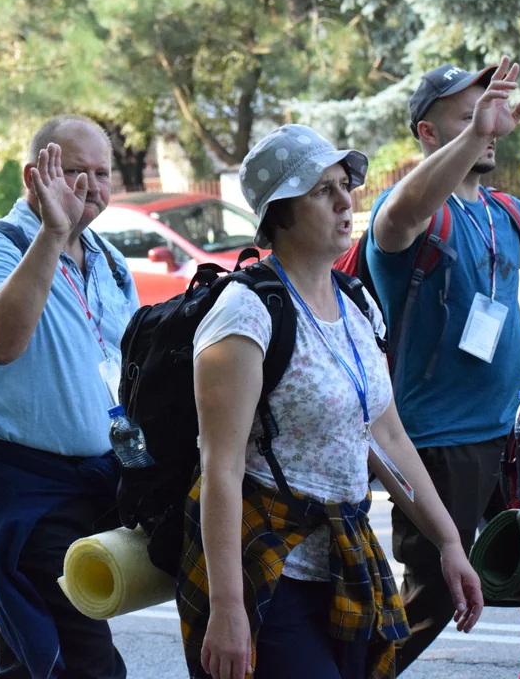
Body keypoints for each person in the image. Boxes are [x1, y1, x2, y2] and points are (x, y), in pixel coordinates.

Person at [185, 124, 484, 679]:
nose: (347, 201)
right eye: (323, 191)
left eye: (345, 184)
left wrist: (448, 542)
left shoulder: (357, 302)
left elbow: (386, 435)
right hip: (269, 568)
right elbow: (219, 470)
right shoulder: (244, 315)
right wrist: (228, 608)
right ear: (279, 213)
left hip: (343, 563)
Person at [365, 56, 520, 670]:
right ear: (429, 133)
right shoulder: (411, 212)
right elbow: (401, 214)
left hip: (512, 434)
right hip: (441, 444)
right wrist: (476, 132)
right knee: (433, 600)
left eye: (492, 113)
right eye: (470, 115)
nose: (490, 125)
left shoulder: (503, 212)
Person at [0, 115, 138, 678]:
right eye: (76, 173)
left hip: (102, 480)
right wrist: (51, 235)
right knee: (87, 663)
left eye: (103, 173)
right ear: (36, 177)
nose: (93, 189)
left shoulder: (106, 258)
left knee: (33, 656)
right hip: (26, 493)